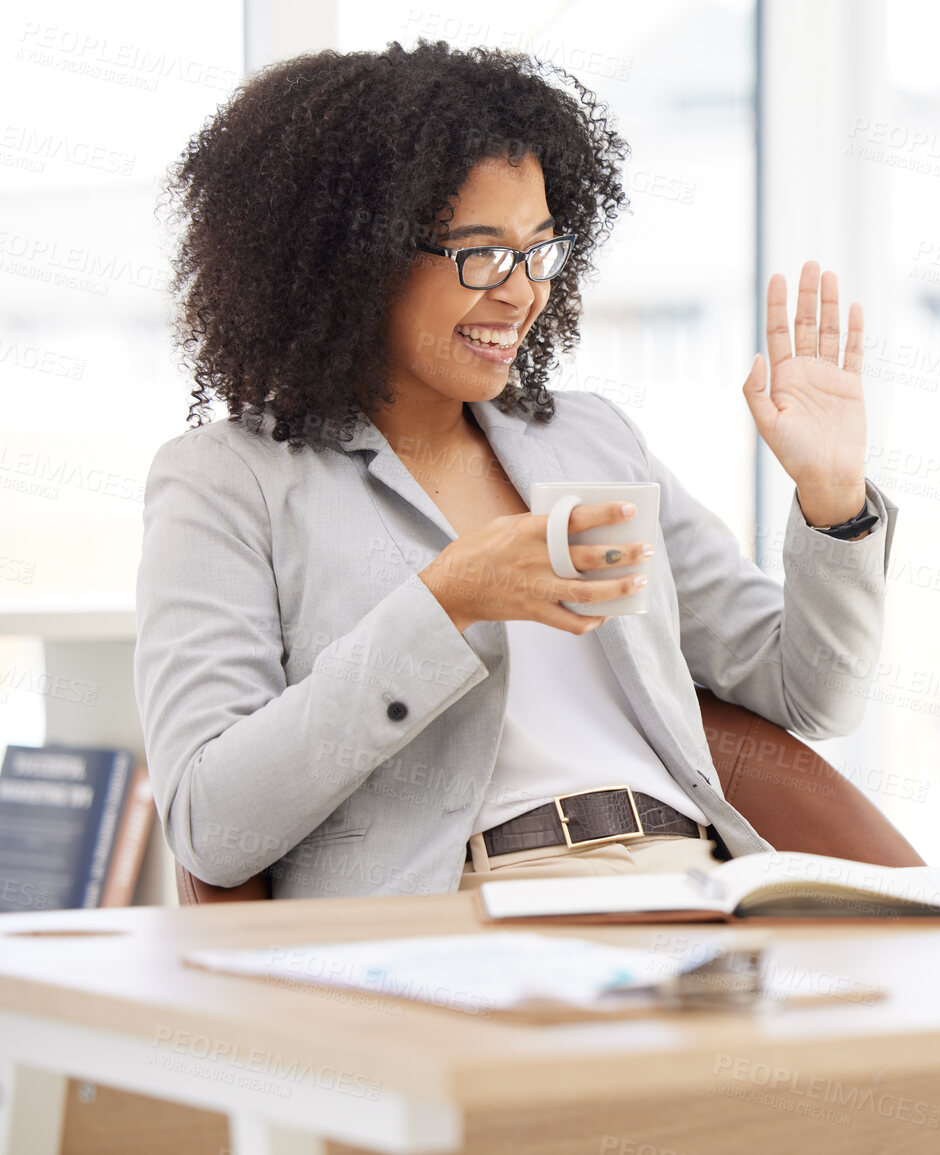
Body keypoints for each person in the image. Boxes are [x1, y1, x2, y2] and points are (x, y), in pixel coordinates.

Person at [133, 40, 895, 899]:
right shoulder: (228, 482)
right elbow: (211, 823)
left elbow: (811, 695)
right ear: (352, 260)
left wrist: (833, 501)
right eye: (481, 253)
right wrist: (443, 601)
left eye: (539, 249)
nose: (522, 292)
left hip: (689, 885)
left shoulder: (591, 439)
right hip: (465, 910)